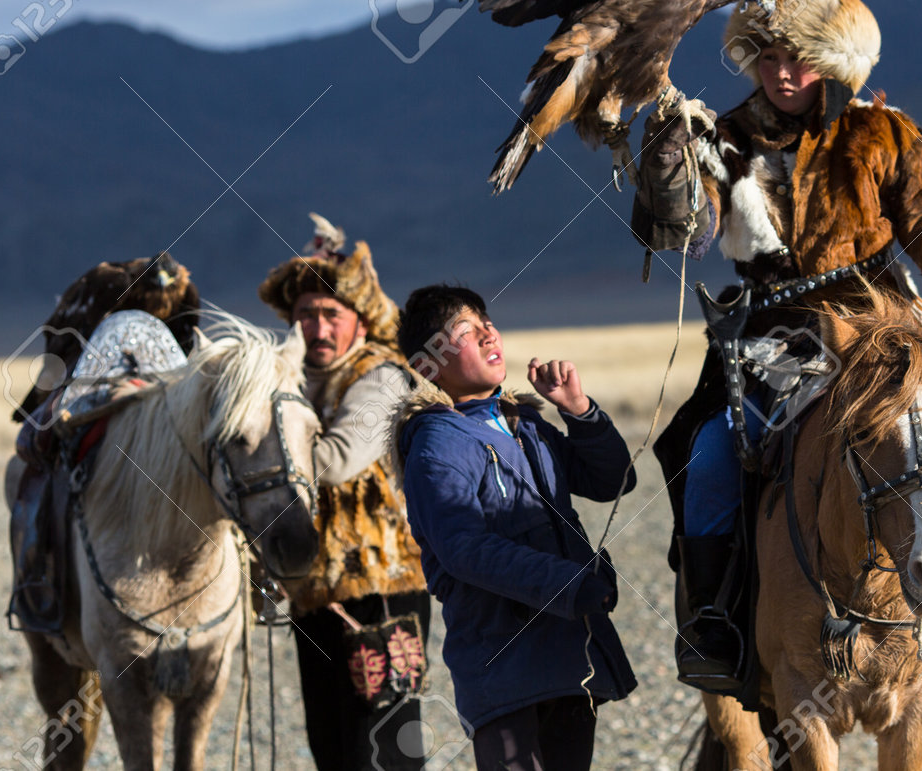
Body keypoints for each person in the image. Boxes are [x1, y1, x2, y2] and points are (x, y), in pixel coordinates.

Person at [633, 0, 922, 686]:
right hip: (776, 334)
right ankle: (715, 621)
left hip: (884, 322)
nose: (781, 73)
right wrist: (670, 164)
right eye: (767, 58)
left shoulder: (879, 131)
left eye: (796, 58)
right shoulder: (727, 137)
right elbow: (693, 232)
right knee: (709, 453)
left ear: (829, 61)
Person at [393, 284, 637, 771]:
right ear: (428, 366)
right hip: (503, 667)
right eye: (465, 331)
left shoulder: (525, 426)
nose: (488, 336)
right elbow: (466, 548)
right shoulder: (436, 444)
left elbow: (613, 480)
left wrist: (579, 410)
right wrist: (568, 585)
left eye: (488, 325)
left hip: (570, 656)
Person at [256, 214, 429, 769]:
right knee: (330, 745)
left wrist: (260, 450)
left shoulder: (381, 375)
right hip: (313, 594)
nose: (317, 328)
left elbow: (333, 461)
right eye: (306, 315)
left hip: (379, 587)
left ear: (360, 320)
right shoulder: (293, 383)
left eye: (332, 314)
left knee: (382, 744)